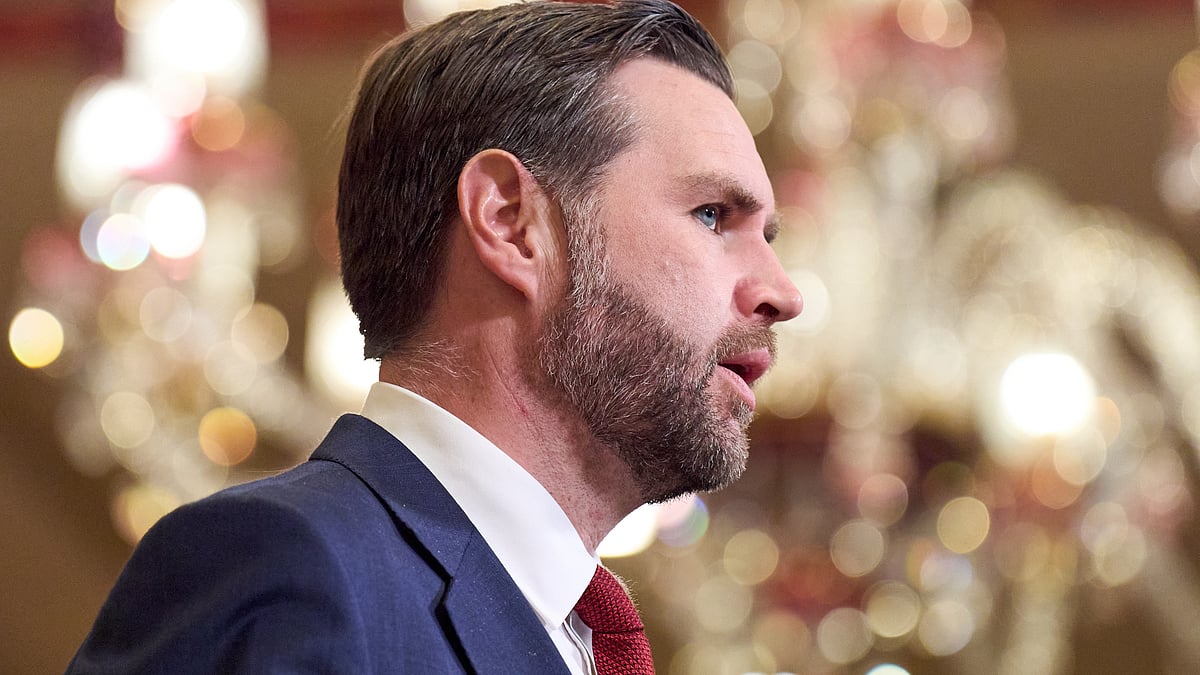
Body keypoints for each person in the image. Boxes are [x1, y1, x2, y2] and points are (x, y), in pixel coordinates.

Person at [67, 0, 802, 672]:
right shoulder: (284, 570)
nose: (783, 291)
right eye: (713, 214)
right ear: (512, 222)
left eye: (767, 233)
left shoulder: (572, 632)